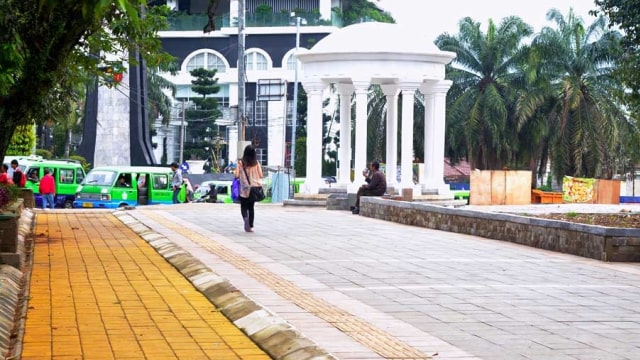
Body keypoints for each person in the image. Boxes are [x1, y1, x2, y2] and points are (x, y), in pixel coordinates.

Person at [235, 145, 263, 232]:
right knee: (251, 207)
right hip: (254, 188)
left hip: (244, 189)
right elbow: (261, 175)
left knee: (243, 207)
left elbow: (236, 175)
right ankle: (251, 226)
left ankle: (245, 219)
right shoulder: (256, 163)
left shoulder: (240, 163)